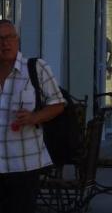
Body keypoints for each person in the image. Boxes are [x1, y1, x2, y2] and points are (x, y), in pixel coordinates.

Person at [0, 19, 65, 212]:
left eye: (10, 37)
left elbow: (58, 103)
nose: (5, 43)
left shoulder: (35, 68)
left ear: (18, 40)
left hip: (24, 164)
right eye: (0, 39)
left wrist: (34, 118)